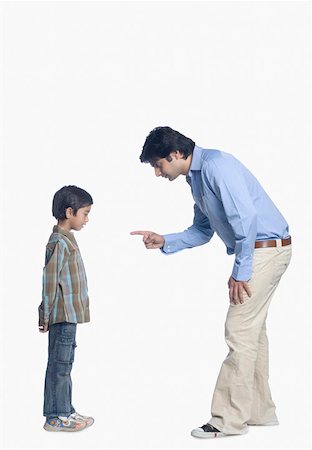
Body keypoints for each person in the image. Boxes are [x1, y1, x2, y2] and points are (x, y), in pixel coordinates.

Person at [131, 126, 292, 438]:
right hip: (262, 250)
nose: (157, 172)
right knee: (252, 333)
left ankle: (226, 421)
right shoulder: (197, 179)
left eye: (157, 164)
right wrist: (166, 239)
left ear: (175, 154)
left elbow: (246, 219)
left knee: (239, 331)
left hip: (264, 251)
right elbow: (202, 231)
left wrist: (241, 271)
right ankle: (258, 412)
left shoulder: (218, 166)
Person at [38, 185, 94, 432]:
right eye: (85, 213)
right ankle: (56, 416)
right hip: (61, 315)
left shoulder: (67, 240)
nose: (87, 219)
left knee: (65, 363)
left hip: (69, 315)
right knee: (60, 365)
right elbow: (50, 280)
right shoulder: (59, 242)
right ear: (69, 212)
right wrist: (46, 313)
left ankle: (65, 410)